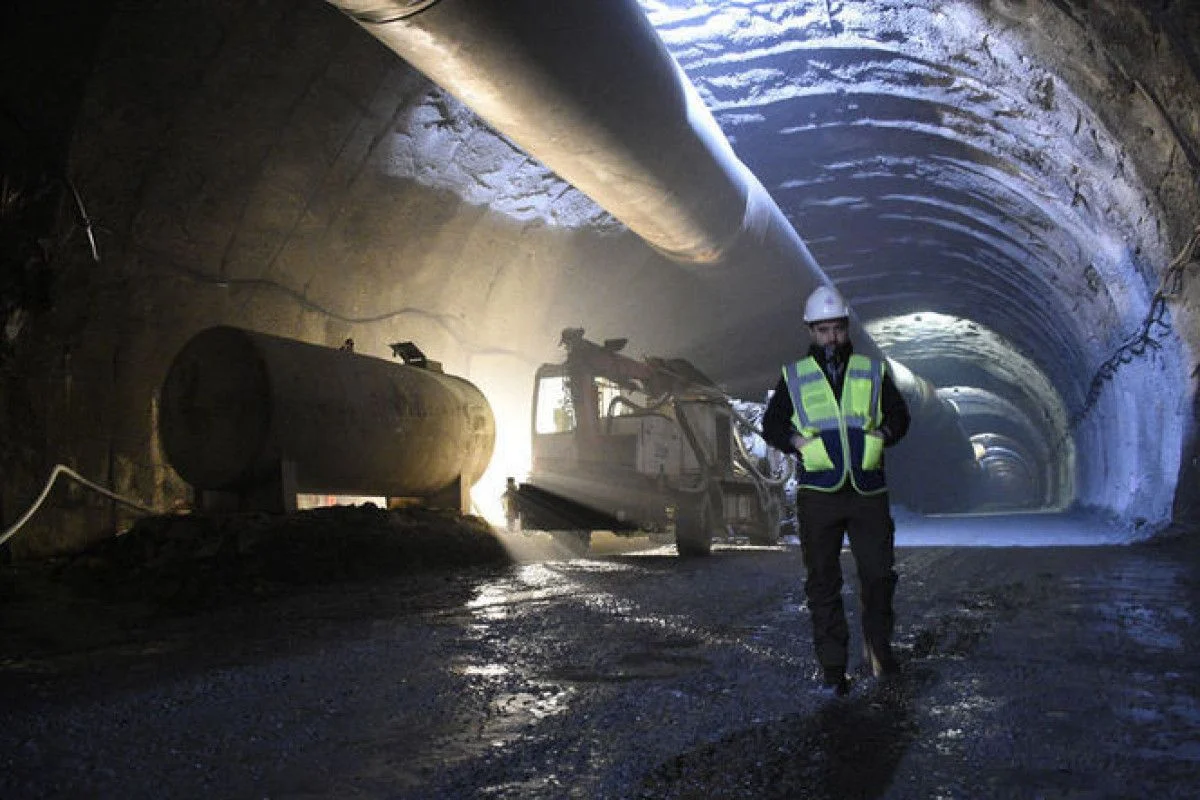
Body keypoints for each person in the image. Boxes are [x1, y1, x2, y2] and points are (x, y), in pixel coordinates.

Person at [762, 285, 911, 697]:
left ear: (848, 329)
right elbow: (772, 424)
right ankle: (833, 668)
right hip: (819, 492)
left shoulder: (872, 370)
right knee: (823, 582)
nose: (831, 338)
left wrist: (882, 434)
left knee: (878, 576)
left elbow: (901, 416)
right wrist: (797, 442)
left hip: (867, 491)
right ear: (811, 332)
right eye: (823, 330)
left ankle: (879, 651)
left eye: (837, 329)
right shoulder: (794, 376)